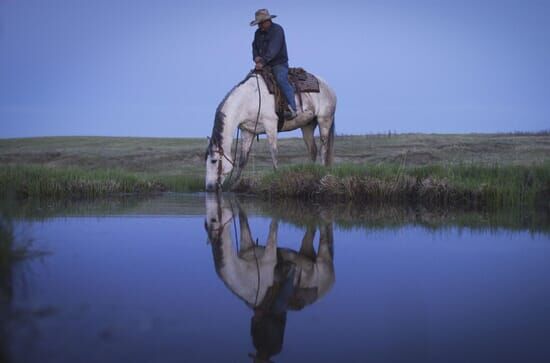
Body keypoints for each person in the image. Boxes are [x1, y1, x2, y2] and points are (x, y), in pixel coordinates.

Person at [250, 9, 297, 120]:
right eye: (258, 24)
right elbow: (254, 46)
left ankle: (293, 108)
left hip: (278, 63)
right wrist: (256, 57)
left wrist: (262, 62)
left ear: (268, 21)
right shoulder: (257, 33)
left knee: (281, 80)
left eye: (261, 23)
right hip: (264, 64)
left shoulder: (277, 30)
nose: (260, 26)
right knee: (252, 81)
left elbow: (273, 50)